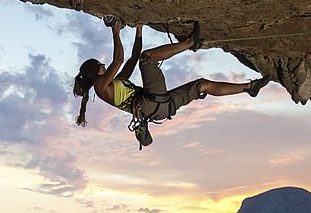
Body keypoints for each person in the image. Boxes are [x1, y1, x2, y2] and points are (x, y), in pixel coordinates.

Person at [73, 19, 272, 147]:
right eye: (100, 65)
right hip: (152, 102)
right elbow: (119, 60)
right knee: (147, 59)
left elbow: (132, 57)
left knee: (201, 85)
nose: (104, 65)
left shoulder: (116, 84)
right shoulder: (101, 87)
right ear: (94, 72)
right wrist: (115, 33)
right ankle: (188, 43)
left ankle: (249, 87)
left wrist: (139, 30)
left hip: (161, 108)